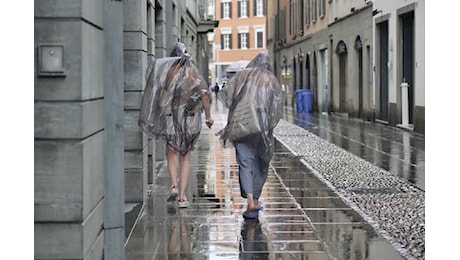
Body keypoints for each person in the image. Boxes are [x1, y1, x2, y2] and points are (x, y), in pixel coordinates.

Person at [138, 42, 214, 208]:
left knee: (171, 152)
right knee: (185, 156)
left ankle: (173, 185)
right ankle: (181, 198)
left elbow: (158, 95)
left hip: (171, 117)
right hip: (189, 118)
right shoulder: (193, 73)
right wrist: (208, 116)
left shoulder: (167, 73)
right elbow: (204, 96)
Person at [217, 52, 283, 219]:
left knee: (245, 163)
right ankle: (255, 197)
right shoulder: (271, 80)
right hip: (262, 126)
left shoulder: (242, 76)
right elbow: (276, 108)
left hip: (243, 123)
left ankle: (250, 201)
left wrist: (231, 123)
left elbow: (230, 98)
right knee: (262, 161)